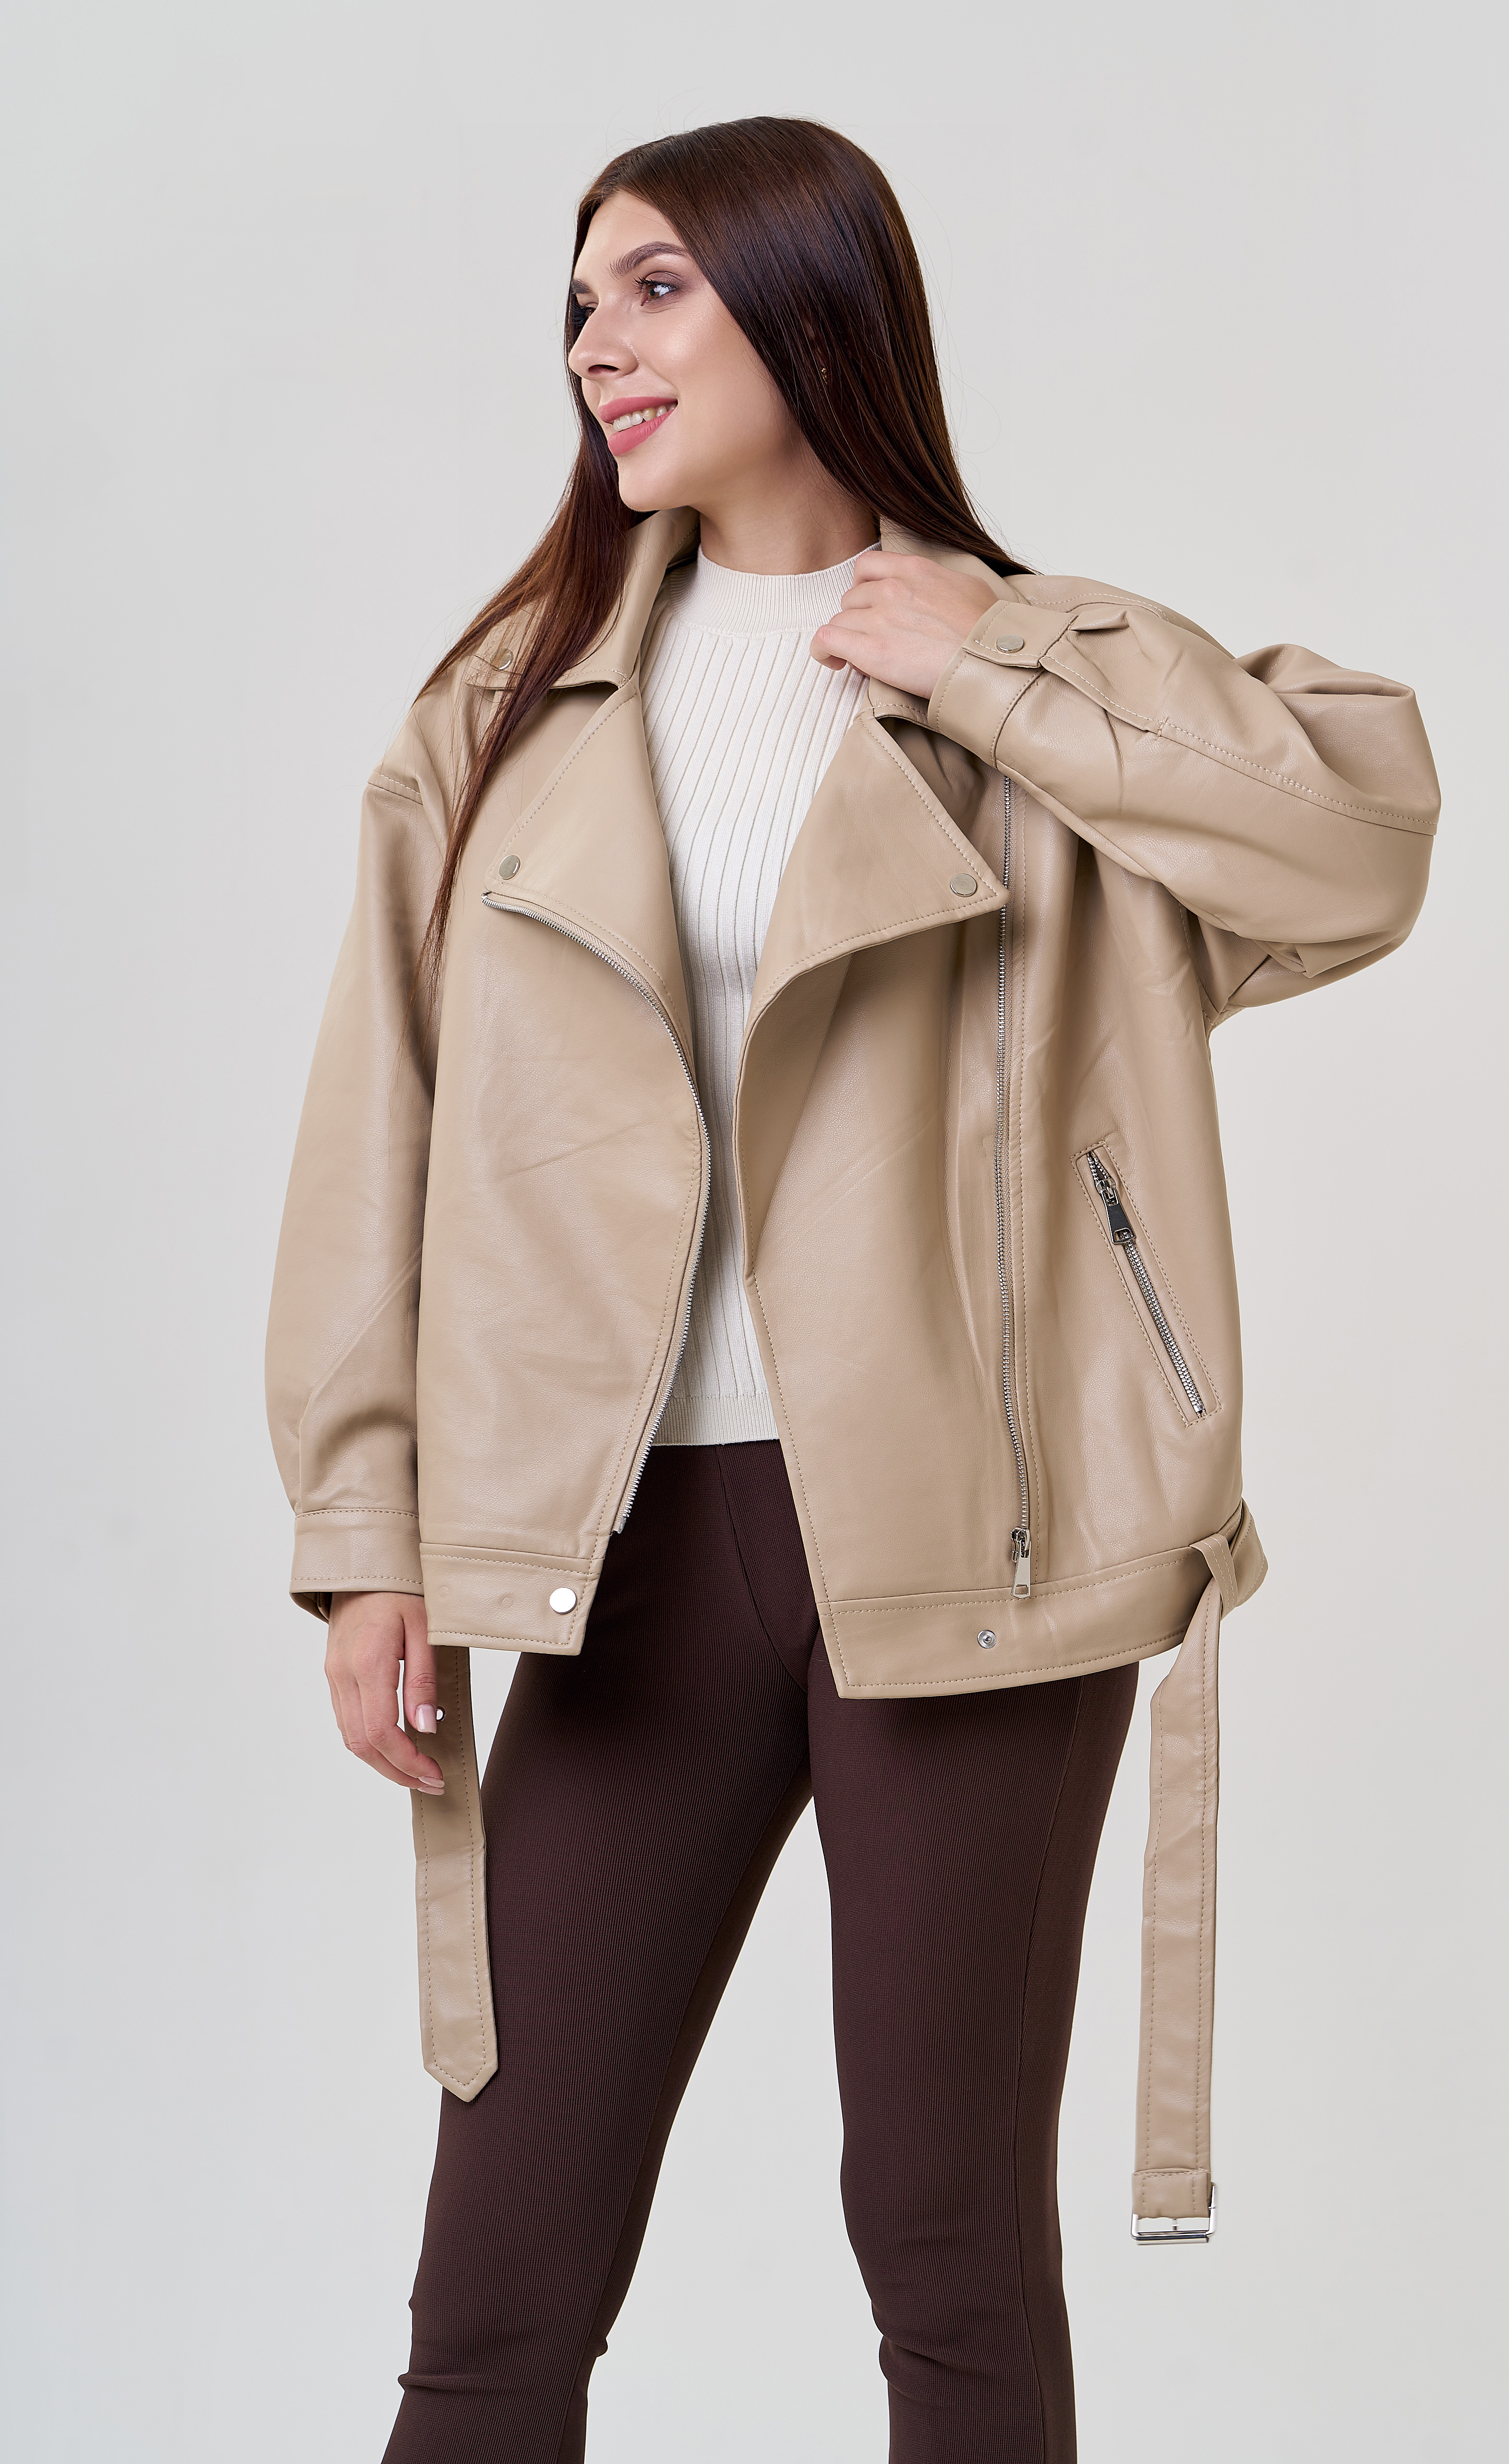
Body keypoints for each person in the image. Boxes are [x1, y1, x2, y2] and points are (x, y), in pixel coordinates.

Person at [265, 115, 1438, 2464]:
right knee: (497, 2284)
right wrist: (367, 1529)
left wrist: (1002, 658)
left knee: (943, 2246)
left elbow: (1354, 844)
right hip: (620, 1546)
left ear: (814, 303)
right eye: (579, 301)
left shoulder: (1022, 677)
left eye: (654, 287)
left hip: (969, 1544)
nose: (596, 344)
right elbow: (380, 1121)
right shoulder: (500, 713)